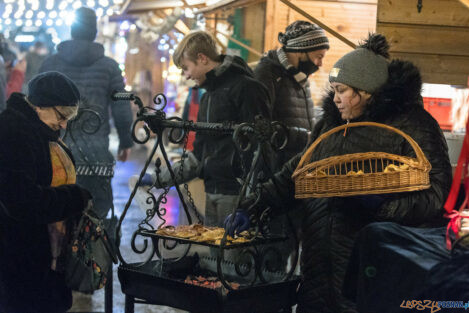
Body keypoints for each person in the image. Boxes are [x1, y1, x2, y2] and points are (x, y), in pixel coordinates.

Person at [225, 33, 452, 313]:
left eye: (341, 90)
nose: (335, 99)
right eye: (333, 90)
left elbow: (435, 192)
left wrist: (383, 206)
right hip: (318, 270)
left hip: (372, 270)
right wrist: (253, 206)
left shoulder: (413, 125)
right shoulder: (331, 126)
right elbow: (296, 174)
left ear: (365, 90)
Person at [134, 30, 270, 227]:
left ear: (202, 58)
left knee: (233, 256)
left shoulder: (247, 89)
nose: (186, 76)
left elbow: (260, 149)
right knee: (215, 256)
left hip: (236, 196)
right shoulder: (207, 97)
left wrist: (249, 205)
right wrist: (157, 179)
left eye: (186, 68)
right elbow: (198, 154)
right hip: (212, 190)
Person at [0, 71, 92, 313]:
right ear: (41, 105)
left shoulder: (38, 128)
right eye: (62, 116)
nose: (63, 124)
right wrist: (74, 197)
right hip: (21, 258)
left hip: (43, 257)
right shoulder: (13, 133)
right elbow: (22, 200)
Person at [39, 6, 134, 219]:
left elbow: (35, 105)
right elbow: (121, 106)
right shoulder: (109, 67)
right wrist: (126, 142)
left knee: (56, 217)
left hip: (54, 154)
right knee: (96, 217)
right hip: (96, 156)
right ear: (94, 32)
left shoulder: (50, 63)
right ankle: (93, 252)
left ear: (72, 31)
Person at [254, 20, 329, 169]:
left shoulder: (300, 76)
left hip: (297, 164)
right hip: (276, 168)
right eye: (318, 56)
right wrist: (305, 137)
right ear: (301, 50)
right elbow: (260, 125)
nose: (320, 64)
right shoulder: (267, 75)